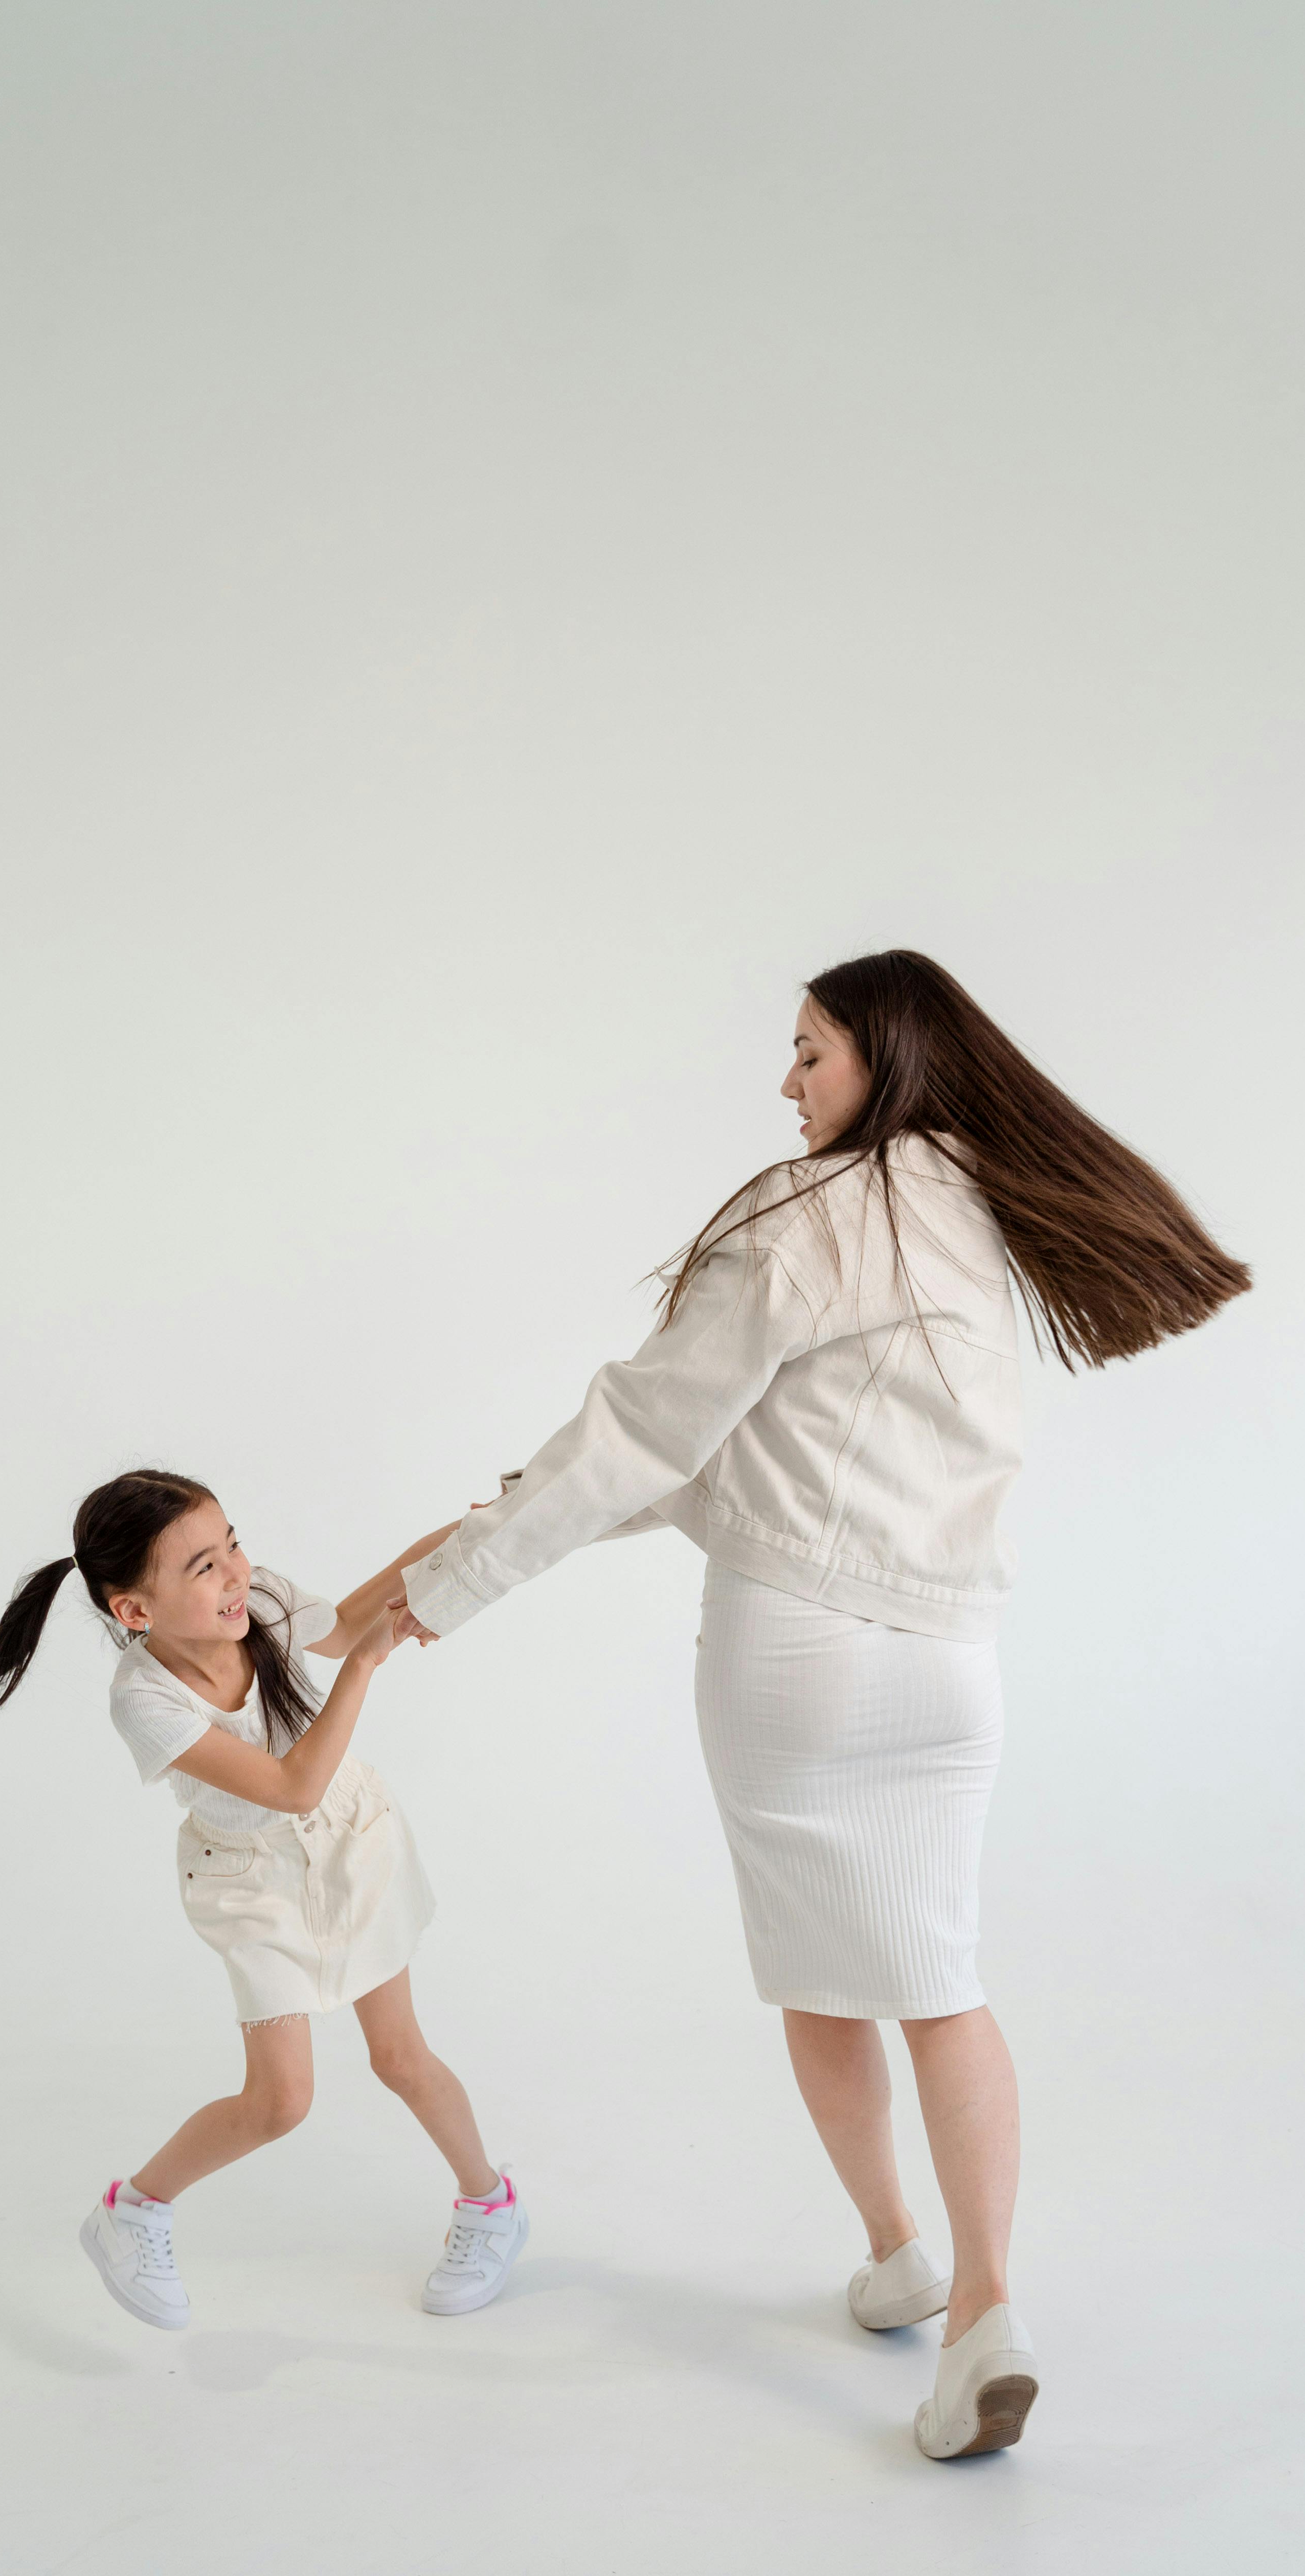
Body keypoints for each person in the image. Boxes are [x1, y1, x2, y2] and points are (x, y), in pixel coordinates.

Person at [394, 951, 1248, 2458]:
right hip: (951, 1663)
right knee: (941, 1972)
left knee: (817, 1972)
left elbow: (650, 1433)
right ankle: (971, 2295)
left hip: (801, 1655)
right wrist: (494, 1537)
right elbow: (749, 1457)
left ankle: (897, 2246)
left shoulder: (804, 1218)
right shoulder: (982, 1215)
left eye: (808, 1053)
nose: (788, 1084)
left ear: (884, 1059)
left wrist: (454, 1580)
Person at [0, 1471, 528, 2329]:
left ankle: (492, 2204)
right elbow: (290, 1785)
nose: (237, 1574)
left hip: (353, 1848)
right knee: (280, 2101)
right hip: (253, 1881)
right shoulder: (145, 1700)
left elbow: (356, 1617)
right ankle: (132, 2211)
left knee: (401, 2058)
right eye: (204, 1567)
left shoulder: (258, 1600)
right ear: (136, 1611)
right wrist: (363, 1669)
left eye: (233, 1543)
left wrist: (470, 1533)